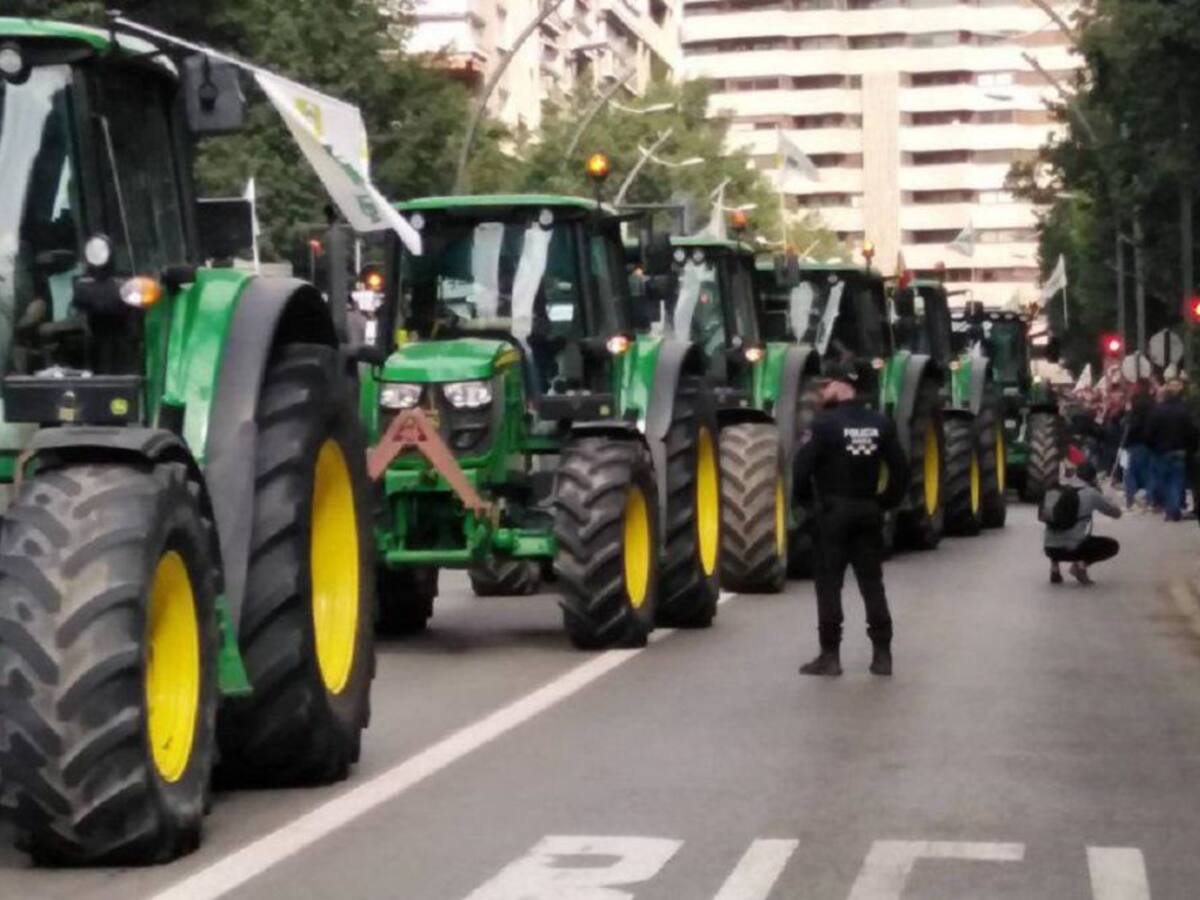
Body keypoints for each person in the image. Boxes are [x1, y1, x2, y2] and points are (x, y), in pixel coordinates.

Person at [792, 361, 910, 677]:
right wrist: (884, 503)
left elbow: (801, 472)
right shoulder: (881, 424)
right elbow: (901, 471)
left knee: (829, 586)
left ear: (844, 385)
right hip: (868, 510)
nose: (822, 390)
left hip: (833, 514)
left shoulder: (823, 425)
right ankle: (883, 655)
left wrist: (809, 507)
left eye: (827, 384)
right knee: (872, 584)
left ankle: (830, 657)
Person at [1043, 461, 1122, 585]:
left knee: (1058, 527)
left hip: (1049, 548)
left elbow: (1048, 518)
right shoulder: (1091, 493)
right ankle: (1080, 567)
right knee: (1112, 545)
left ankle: (1055, 569)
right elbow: (1116, 514)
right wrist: (1107, 496)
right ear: (1093, 478)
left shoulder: (1055, 487)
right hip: (1073, 550)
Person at [1145, 377, 1199, 521]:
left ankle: (1170, 509)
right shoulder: (1184, 411)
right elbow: (1192, 432)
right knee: (1176, 481)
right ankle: (1174, 509)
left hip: (1161, 451)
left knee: (1164, 481)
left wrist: (1152, 447)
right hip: (1180, 451)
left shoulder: (1158, 411)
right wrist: (1191, 448)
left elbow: (1149, 433)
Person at [1122, 382, 1154, 508]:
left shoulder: (1135, 407)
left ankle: (1131, 499)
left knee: (1131, 472)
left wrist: (1128, 414)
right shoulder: (1152, 403)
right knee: (1148, 472)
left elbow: (1131, 425)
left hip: (1135, 442)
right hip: (1149, 442)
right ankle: (1150, 498)